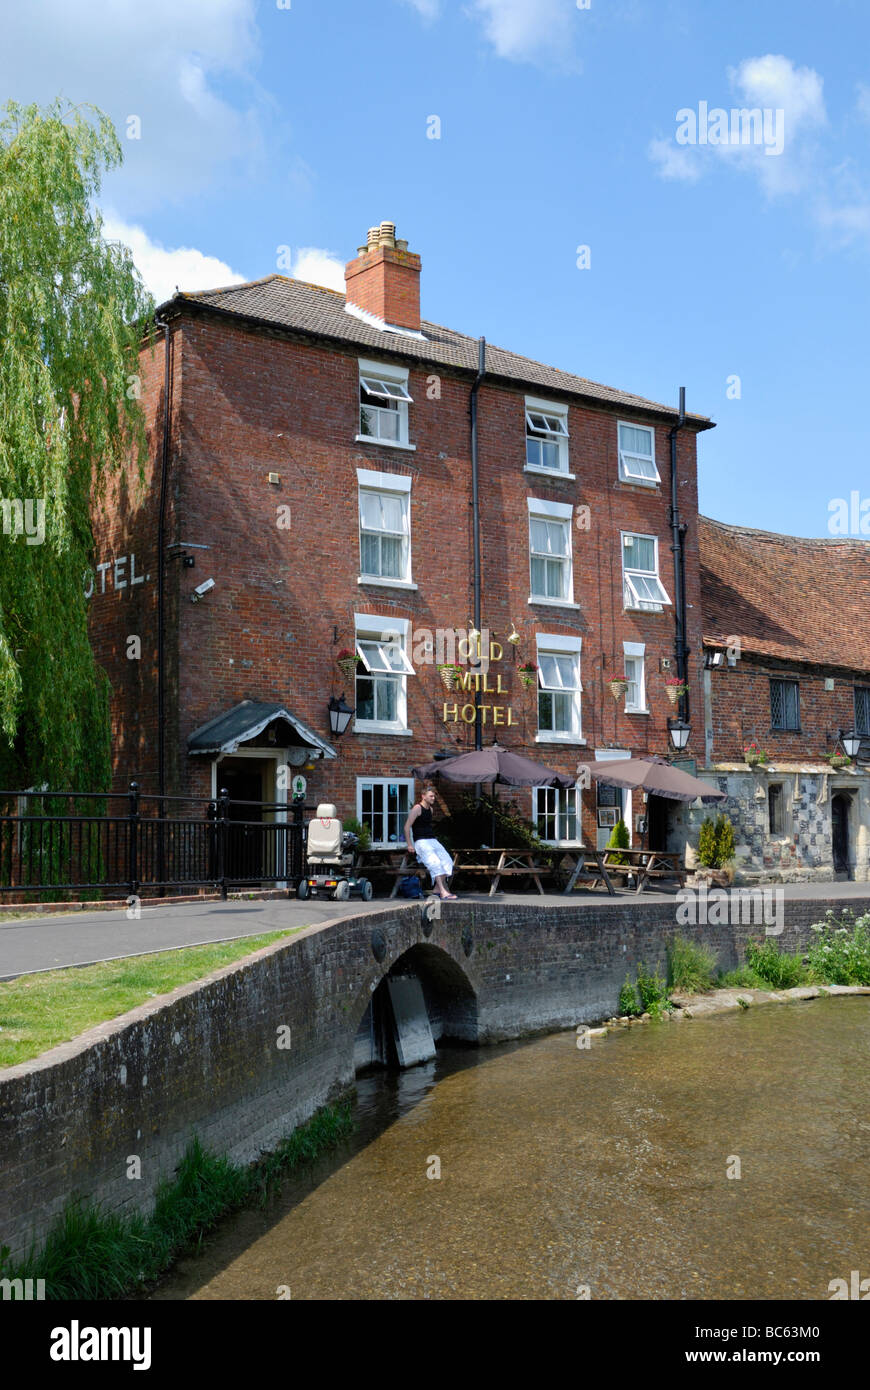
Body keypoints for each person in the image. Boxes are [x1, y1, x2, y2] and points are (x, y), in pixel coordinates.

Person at [403, 783, 457, 899]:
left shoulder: (431, 810)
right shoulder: (417, 808)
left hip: (432, 840)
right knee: (435, 863)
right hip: (421, 841)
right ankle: (443, 891)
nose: (433, 798)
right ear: (423, 796)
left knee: (447, 861)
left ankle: (437, 888)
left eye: (434, 796)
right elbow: (407, 826)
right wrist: (409, 844)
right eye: (431, 796)